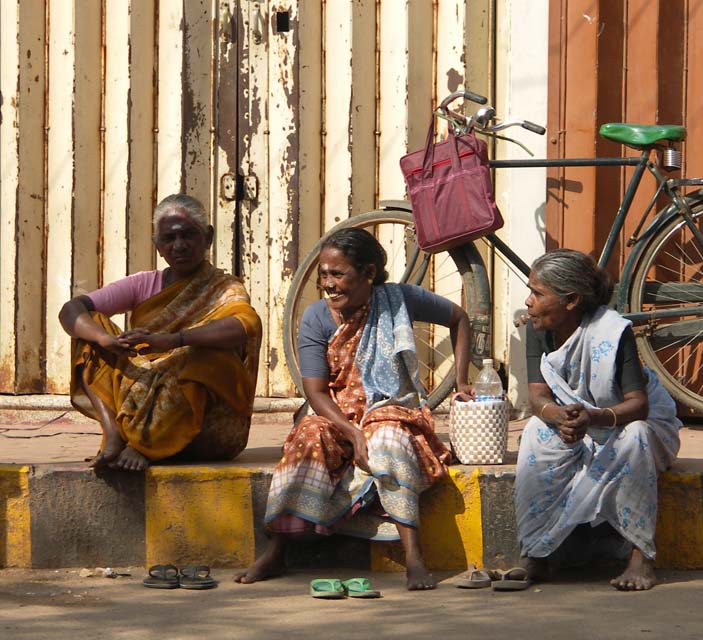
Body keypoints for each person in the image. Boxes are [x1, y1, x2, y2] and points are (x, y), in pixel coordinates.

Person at [235, 227, 472, 590]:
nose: (328, 284)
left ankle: (413, 556)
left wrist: (461, 380)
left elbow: (459, 319)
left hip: (391, 408)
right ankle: (276, 551)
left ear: (369, 274)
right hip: (337, 413)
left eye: (338, 274)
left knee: (390, 441)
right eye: (324, 275)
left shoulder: (399, 300)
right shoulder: (316, 317)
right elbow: (315, 391)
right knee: (307, 436)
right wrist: (351, 431)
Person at [516, 249, 681, 591]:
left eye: (538, 293)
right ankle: (536, 554)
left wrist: (593, 416)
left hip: (624, 421)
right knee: (534, 433)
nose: (529, 301)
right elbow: (537, 396)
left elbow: (638, 406)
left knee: (635, 436)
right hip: (578, 423)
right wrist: (557, 415)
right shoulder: (537, 326)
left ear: (571, 300)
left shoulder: (613, 332)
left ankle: (641, 558)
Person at [59, 194, 262, 472]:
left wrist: (173, 341)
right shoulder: (145, 283)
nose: (179, 245)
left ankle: (147, 444)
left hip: (201, 426)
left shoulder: (225, 289)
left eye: (189, 234)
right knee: (89, 329)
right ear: (158, 245)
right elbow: (71, 311)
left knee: (204, 357)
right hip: (140, 386)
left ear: (208, 237)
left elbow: (245, 325)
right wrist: (107, 340)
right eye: (169, 238)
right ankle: (115, 436)